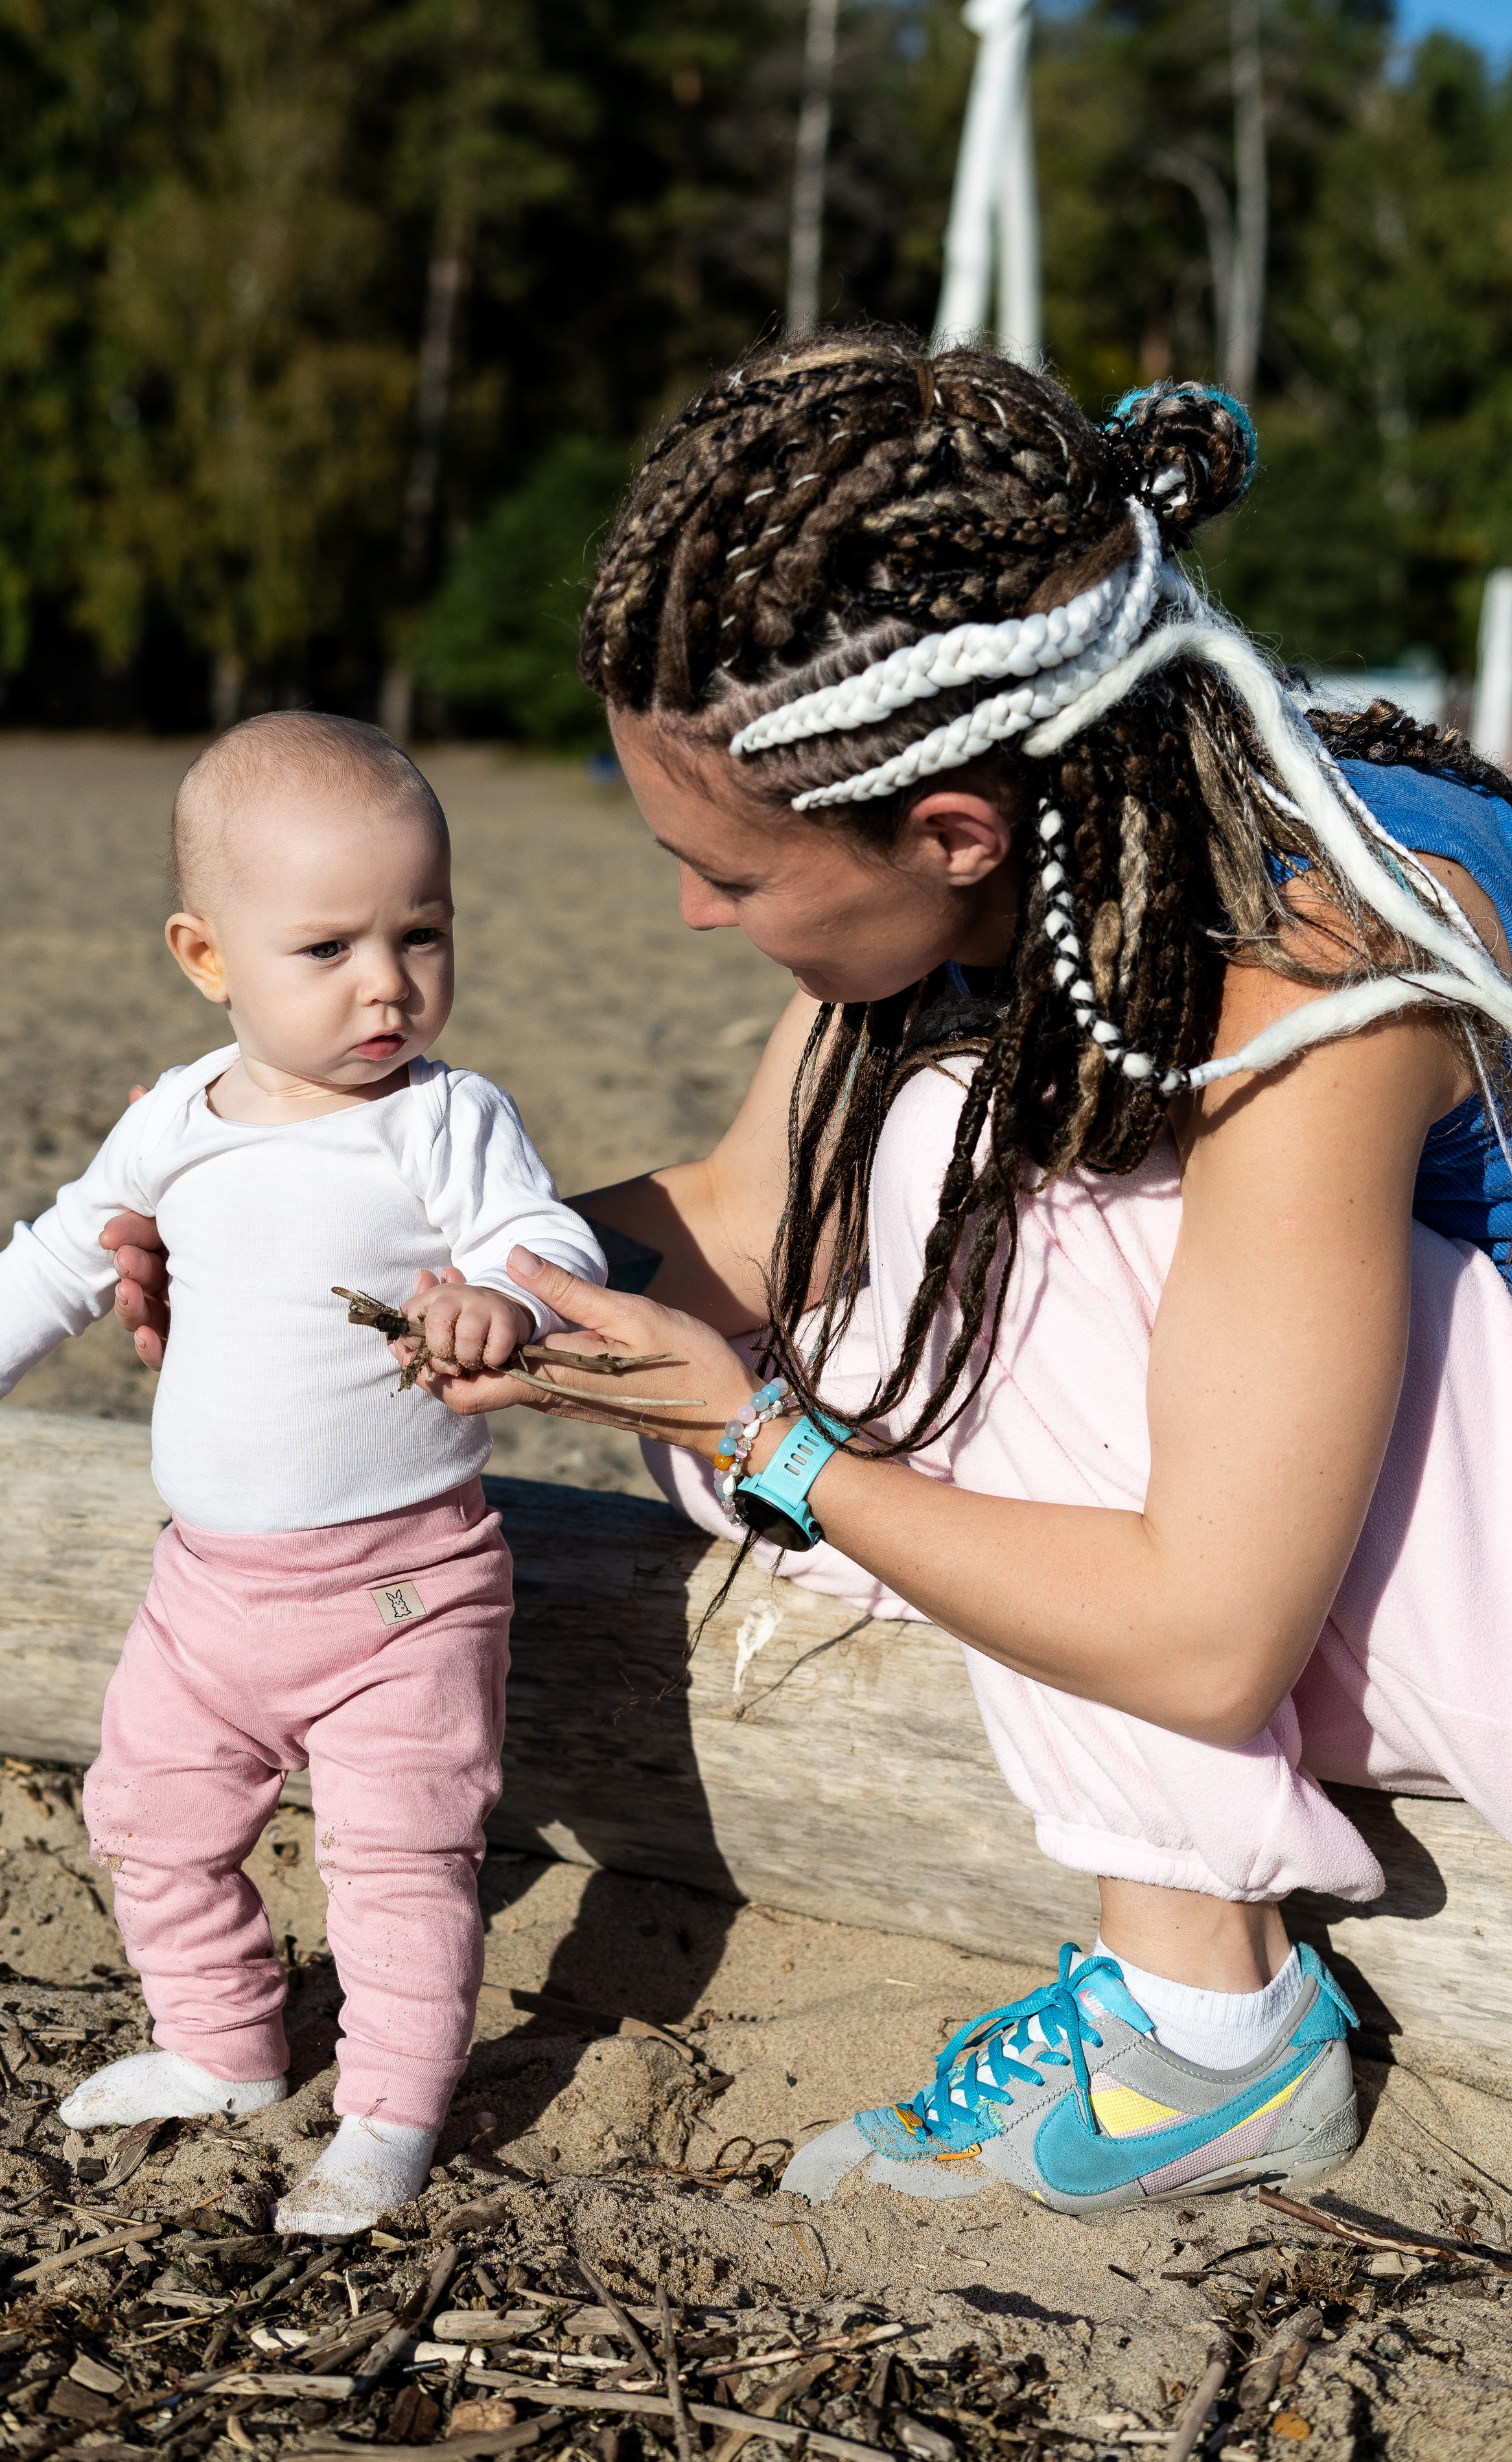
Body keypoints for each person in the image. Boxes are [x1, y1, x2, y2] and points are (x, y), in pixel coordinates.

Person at [106, 334, 1512, 2220]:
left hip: (1399, 1590)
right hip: (1353, 1529)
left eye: (736, 879)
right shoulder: (1035, 830)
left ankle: (1204, 2026)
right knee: (874, 1234)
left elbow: (1208, 1640)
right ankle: (1192, 1959)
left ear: (949, 832)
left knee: (954, 1184)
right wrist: (323, 1260)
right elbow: (747, 1222)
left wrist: (769, 1440)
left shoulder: (1311, 956)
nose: (696, 914)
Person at [0, 711, 605, 2235]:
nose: (387, 983)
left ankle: (391, 2112)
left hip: (402, 1593)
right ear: (207, 957)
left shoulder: (440, 1120)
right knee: (146, 1820)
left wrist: (504, 1294)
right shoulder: (171, 1121)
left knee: (399, 1863)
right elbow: (62, 1253)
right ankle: (220, 2045)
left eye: (422, 934)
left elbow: (553, 1238)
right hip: (204, 1593)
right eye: (325, 948)